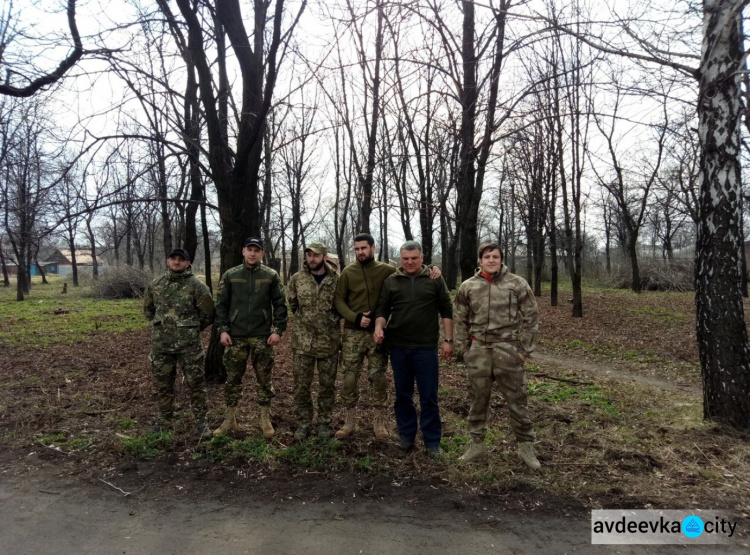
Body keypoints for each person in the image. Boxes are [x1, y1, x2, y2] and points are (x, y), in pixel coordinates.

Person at [333, 233, 441, 439]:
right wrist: (355, 318)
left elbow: (411, 271)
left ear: (373, 248)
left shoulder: (387, 271)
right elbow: (339, 300)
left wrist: (434, 269)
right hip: (352, 334)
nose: (360, 252)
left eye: (363, 248)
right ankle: (349, 421)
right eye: (356, 249)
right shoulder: (348, 272)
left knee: (378, 378)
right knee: (349, 378)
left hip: (378, 335)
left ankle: (379, 423)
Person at [453, 241, 541, 469]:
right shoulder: (468, 287)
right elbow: (460, 319)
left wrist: (524, 352)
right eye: (487, 257)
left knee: (517, 401)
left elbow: (532, 318)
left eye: (495, 256)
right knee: (477, 401)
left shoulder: (517, 284)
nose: (491, 260)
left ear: (501, 259)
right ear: (480, 260)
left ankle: (525, 448)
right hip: (479, 351)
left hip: (508, 350)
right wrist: (464, 349)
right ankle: (476, 446)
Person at [374, 241, 453, 459]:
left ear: (422, 258)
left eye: (414, 258)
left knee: (429, 396)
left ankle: (432, 442)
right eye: (405, 258)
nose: (409, 262)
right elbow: (382, 309)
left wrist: (448, 340)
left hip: (425, 349)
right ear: (401, 259)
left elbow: (446, 309)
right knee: (403, 396)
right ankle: (406, 437)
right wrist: (379, 327)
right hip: (398, 348)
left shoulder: (435, 279)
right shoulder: (391, 281)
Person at [213, 237, 288, 439]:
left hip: (262, 337)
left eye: (257, 250)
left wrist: (277, 330)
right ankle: (230, 418)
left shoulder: (270, 276)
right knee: (232, 380)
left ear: (262, 253)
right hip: (235, 337)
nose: (253, 253)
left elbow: (280, 304)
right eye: (249, 249)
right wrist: (223, 330)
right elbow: (221, 305)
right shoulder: (231, 275)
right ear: (243, 251)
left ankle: (264, 419)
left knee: (264, 380)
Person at [143, 247, 215, 440]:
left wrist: (190, 329)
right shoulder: (156, 285)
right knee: (163, 385)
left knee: (196, 385)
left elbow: (208, 314)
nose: (176, 262)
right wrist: (162, 327)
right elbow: (149, 311)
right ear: (167, 261)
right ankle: (165, 421)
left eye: (180, 260)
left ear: (187, 263)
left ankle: (201, 422)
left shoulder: (197, 286)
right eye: (173, 259)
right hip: (162, 346)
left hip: (189, 348)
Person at [286, 242, 341, 440]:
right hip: (303, 344)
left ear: (324, 257)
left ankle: (324, 423)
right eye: (309, 255)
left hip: (329, 343)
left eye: (316, 255)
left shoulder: (336, 280)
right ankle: (303, 423)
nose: (312, 259)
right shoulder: (297, 279)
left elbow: (340, 306)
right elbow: (293, 304)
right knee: (302, 386)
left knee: (327, 386)